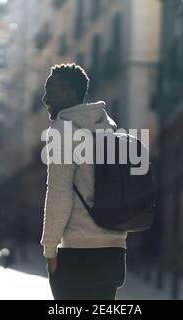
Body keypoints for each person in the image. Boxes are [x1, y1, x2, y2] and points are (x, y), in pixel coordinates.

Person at [40, 63, 127, 300]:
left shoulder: (62, 130)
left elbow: (59, 193)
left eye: (51, 89)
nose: (45, 97)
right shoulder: (108, 130)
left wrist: (50, 249)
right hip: (113, 252)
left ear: (69, 93)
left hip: (77, 253)